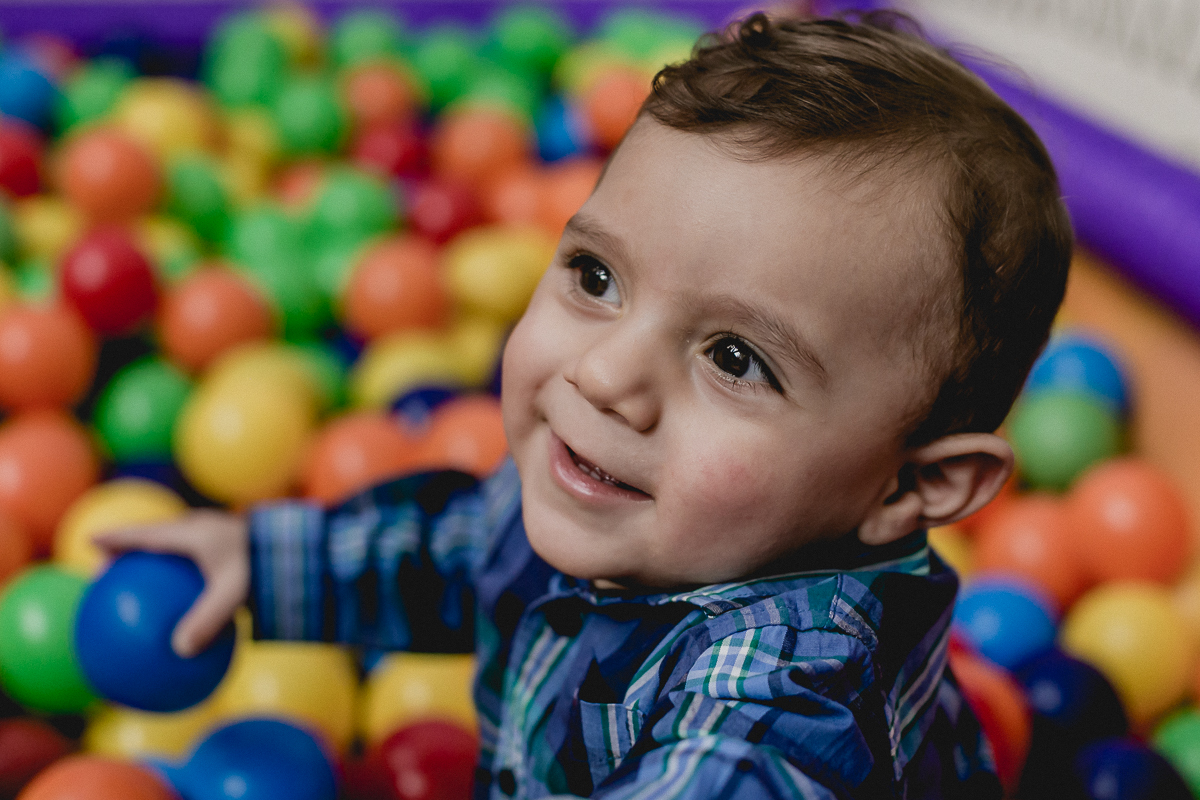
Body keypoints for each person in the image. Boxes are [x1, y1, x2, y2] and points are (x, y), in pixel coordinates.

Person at [99, 11, 1071, 799]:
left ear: (914, 483)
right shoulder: (619, 496)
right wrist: (265, 563)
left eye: (734, 356)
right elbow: (457, 550)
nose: (605, 375)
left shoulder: (791, 679)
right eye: (596, 275)